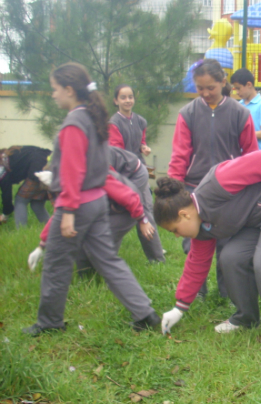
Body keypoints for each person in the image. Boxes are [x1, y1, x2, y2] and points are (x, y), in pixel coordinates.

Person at [22, 62, 160, 336]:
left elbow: (72, 171)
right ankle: (145, 313)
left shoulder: (74, 123)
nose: (53, 95)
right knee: (108, 260)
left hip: (79, 204)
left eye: (55, 89)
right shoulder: (92, 117)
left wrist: (69, 210)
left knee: (57, 264)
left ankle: (49, 322)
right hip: (98, 202)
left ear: (70, 90)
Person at [156, 150, 261, 350]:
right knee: (231, 258)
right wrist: (179, 308)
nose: (177, 235)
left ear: (184, 215)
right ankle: (246, 317)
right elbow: (196, 263)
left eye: (175, 230)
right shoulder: (202, 226)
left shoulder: (217, 183)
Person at [169, 59, 258, 299]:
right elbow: (180, 155)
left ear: (223, 82)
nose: (206, 93)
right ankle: (197, 291)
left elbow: (251, 155)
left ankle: (227, 293)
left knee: (225, 243)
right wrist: (174, 191)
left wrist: (250, 189)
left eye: (211, 88)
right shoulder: (187, 113)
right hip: (193, 189)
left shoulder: (240, 114)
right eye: (200, 88)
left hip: (228, 191)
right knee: (192, 243)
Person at [28, 169, 154, 272]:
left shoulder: (94, 175)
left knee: (98, 243)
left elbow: (128, 197)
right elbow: (58, 217)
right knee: (80, 242)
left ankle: (110, 276)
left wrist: (143, 220)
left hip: (128, 208)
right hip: (105, 209)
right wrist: (41, 247)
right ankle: (87, 278)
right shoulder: (70, 189)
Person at [109, 146, 165, 263]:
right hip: (125, 170)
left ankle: (157, 260)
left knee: (121, 217)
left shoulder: (96, 162)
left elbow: (126, 195)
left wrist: (142, 219)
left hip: (134, 173)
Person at [0, 145, 51, 228]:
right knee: (36, 204)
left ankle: (21, 232)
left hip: (37, 170)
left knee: (20, 200)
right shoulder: (6, 155)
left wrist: (5, 214)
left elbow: (6, 195)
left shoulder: (1, 171)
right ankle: (53, 230)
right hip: (46, 166)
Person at [230, 68, 261, 151]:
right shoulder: (238, 105)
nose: (237, 92)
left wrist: (242, 135)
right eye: (235, 89)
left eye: (238, 88)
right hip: (241, 155)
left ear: (249, 84)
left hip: (258, 155)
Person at [109, 85, 151, 163]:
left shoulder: (141, 121)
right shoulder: (114, 123)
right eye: (123, 98)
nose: (128, 100)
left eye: (130, 97)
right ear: (116, 101)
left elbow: (142, 141)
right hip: (123, 168)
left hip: (139, 166)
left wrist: (143, 147)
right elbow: (117, 151)